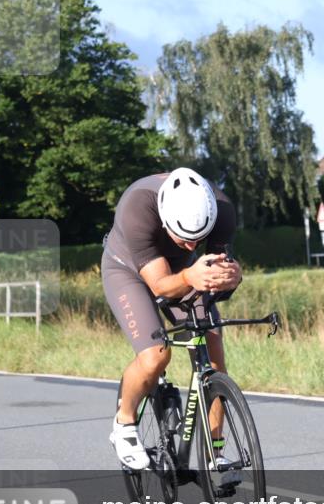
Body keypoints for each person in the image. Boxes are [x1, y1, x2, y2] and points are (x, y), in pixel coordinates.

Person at [101, 168, 242, 470]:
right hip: (126, 270)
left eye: (198, 239)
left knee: (213, 353)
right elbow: (160, 286)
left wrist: (230, 278)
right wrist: (191, 274)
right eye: (184, 238)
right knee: (156, 356)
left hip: (183, 271)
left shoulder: (223, 210)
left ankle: (214, 454)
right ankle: (124, 423)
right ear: (165, 219)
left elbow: (215, 273)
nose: (192, 246)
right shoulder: (138, 208)